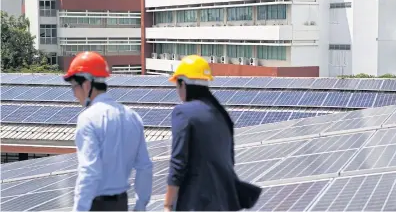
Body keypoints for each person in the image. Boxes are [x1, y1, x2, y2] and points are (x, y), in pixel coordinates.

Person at [163, 55, 262, 211]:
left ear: (183, 84)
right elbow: (230, 160)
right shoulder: (221, 114)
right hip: (224, 202)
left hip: (195, 204)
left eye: (176, 84)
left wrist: (167, 204)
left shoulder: (182, 112)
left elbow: (178, 162)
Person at [64, 51, 153, 212]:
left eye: (74, 87)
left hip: (95, 206)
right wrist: (140, 206)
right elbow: (145, 167)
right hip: (121, 205)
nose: (74, 94)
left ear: (86, 85)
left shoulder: (88, 118)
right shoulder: (132, 116)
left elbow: (89, 171)